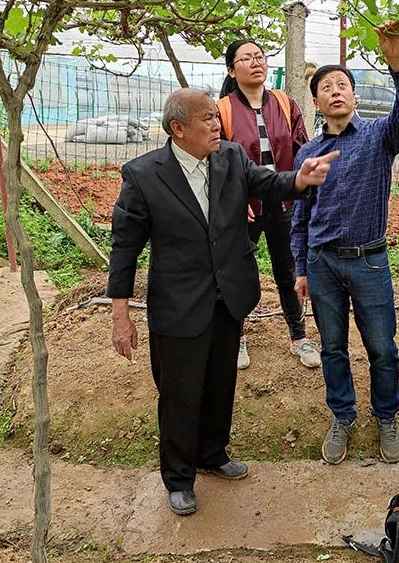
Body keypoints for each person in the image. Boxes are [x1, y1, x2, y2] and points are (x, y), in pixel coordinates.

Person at [108, 88, 338, 516]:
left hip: (227, 298)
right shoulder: (143, 175)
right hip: (178, 306)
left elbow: (267, 182)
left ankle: (212, 453)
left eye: (217, 116)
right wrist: (121, 315)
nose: (217, 124)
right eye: (206, 119)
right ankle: (179, 477)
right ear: (178, 129)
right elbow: (124, 248)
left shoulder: (230, 158)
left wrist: (300, 179)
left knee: (220, 384)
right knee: (179, 394)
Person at [290, 20, 399, 465]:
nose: (336, 91)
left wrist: (397, 64)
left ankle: (387, 416)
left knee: (382, 346)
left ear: (354, 95)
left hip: (369, 262)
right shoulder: (307, 153)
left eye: (342, 84)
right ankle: (342, 415)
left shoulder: (379, 137)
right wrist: (300, 269)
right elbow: (301, 216)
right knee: (332, 347)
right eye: (326, 86)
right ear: (316, 102)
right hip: (323, 263)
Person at [218, 39, 320, 371]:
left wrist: (304, 190)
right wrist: (232, 200)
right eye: (245, 58)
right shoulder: (222, 110)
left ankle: (299, 337)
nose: (255, 62)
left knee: (289, 271)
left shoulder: (284, 102)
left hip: (283, 203)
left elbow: (301, 148)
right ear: (232, 70)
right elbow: (214, 161)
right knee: (237, 274)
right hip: (244, 208)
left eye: (259, 56)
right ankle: (235, 339)